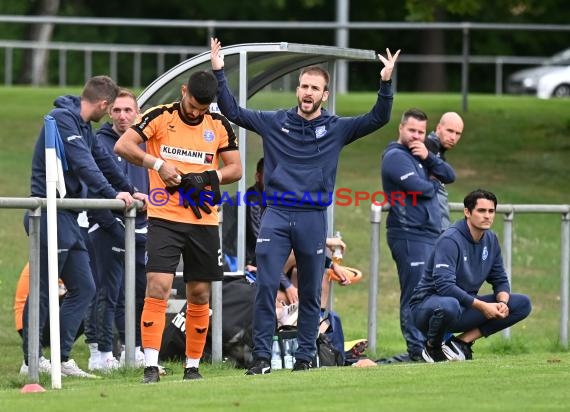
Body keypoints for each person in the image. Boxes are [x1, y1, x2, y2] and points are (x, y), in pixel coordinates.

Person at [211, 37, 399, 374]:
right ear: (297, 90)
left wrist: (386, 82)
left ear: (325, 95)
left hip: (313, 218)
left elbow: (377, 119)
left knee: (311, 293)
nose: (308, 92)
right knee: (266, 286)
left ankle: (303, 359)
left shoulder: (337, 128)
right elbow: (234, 111)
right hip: (277, 214)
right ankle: (263, 359)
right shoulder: (275, 121)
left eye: (315, 87)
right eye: (303, 86)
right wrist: (220, 73)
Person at [114, 70, 242, 383]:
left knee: (199, 293)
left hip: (203, 219)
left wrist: (208, 178)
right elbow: (124, 146)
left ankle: (192, 367)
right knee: (157, 285)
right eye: (192, 105)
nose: (196, 113)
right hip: (165, 217)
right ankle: (151, 366)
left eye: (202, 109)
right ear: (183, 91)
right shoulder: (160, 116)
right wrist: (158, 164)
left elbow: (236, 168)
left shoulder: (219, 124)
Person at [24, 75, 136, 378]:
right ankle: (30, 362)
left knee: (85, 288)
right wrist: (114, 194)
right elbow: (85, 164)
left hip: (70, 218)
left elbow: (103, 160)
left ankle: (60, 358)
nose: (110, 113)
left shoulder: (84, 127)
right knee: (44, 288)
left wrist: (128, 188)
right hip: (48, 213)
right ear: (103, 104)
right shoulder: (63, 120)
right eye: (111, 108)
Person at [410, 189, 532, 362]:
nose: (487, 216)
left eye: (491, 211)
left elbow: (500, 279)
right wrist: (483, 306)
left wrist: (502, 303)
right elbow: (445, 286)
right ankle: (432, 348)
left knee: (521, 303)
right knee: (449, 304)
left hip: (463, 307)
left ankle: (461, 342)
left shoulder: (491, 239)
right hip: (428, 308)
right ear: (467, 212)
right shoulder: (450, 240)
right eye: (481, 211)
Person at [380, 108, 456, 362]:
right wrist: (433, 182)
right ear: (400, 128)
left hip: (428, 234)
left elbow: (450, 176)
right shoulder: (395, 156)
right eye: (411, 130)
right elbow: (420, 189)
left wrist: (430, 159)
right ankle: (416, 350)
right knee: (413, 293)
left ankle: (430, 347)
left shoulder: (420, 153)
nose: (416, 136)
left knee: (428, 292)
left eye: (421, 132)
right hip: (408, 234)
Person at [88, 88, 149, 371]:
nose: (123, 115)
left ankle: (132, 348)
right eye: (117, 110)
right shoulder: (99, 142)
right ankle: (99, 353)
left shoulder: (145, 143)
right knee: (107, 291)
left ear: (137, 113)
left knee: (137, 291)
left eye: (128, 110)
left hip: (140, 227)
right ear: (109, 112)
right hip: (107, 225)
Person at [425, 112, 464, 231]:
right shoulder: (427, 146)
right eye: (450, 131)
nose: (453, 137)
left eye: (458, 133)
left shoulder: (438, 152)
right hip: (428, 229)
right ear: (438, 128)